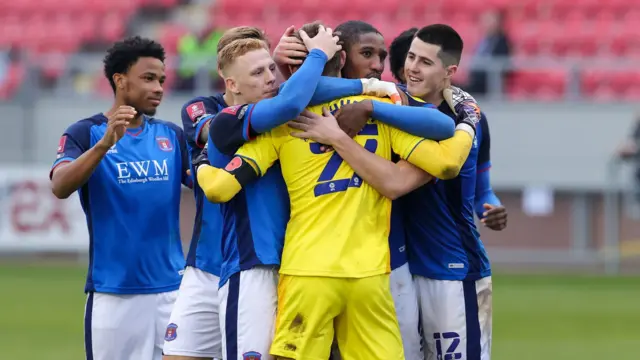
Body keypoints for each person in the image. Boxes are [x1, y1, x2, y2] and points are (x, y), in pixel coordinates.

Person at [196, 21, 477, 360]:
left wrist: (201, 165)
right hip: (370, 273)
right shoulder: (382, 111)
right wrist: (468, 122)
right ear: (341, 59)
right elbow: (445, 157)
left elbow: (220, 188)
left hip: (307, 270)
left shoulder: (282, 122)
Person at [50, 36, 189, 360]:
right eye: (148, 78)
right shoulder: (85, 133)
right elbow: (59, 186)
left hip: (174, 293)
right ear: (120, 80)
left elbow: (207, 187)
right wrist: (104, 146)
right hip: (114, 296)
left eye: (162, 80)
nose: (158, 87)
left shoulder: (171, 135)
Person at [163, 26, 270, 360]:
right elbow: (217, 132)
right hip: (206, 263)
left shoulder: (278, 111)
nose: (267, 75)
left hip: (252, 263)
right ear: (228, 74)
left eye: (267, 65)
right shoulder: (201, 107)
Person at [388, 27, 507, 230]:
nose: (414, 69)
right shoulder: (387, 115)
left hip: (456, 256)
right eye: (411, 59)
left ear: (447, 70)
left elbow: (482, 192)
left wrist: (492, 209)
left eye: (426, 62)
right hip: (395, 254)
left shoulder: (473, 119)